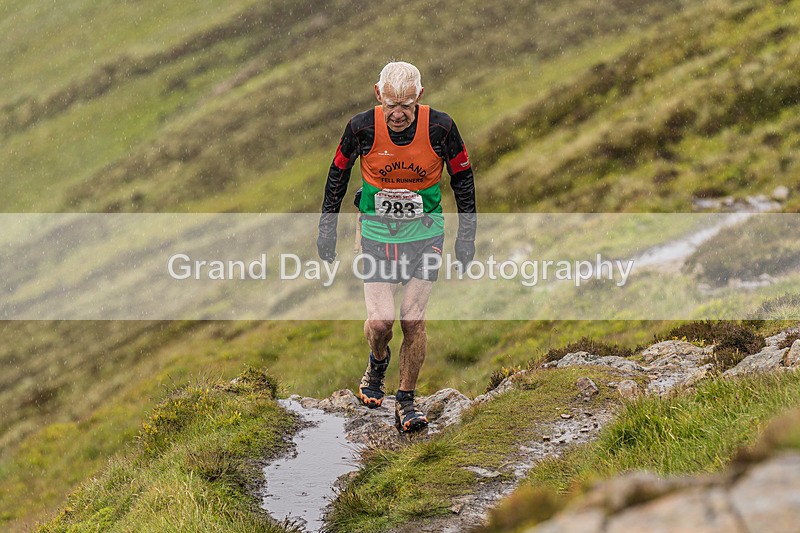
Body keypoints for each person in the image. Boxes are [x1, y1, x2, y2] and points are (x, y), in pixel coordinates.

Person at [317, 61, 476, 433]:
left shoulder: (441, 128)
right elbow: (338, 173)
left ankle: (406, 400)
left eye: (406, 105)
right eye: (391, 105)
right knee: (380, 322)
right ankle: (378, 360)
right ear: (378, 95)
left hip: (425, 236)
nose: (399, 114)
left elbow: (463, 178)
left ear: (420, 95)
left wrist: (466, 237)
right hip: (376, 237)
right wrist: (327, 230)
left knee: (412, 319)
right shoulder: (361, 128)